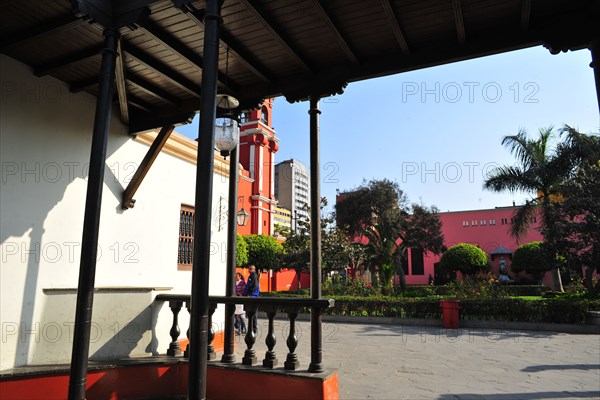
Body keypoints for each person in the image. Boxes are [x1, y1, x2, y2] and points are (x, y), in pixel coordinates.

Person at [243, 265, 260, 333]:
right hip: (252, 296)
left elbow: (254, 286)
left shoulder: (253, 276)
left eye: (248, 269)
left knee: (253, 313)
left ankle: (254, 329)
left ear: (251, 269)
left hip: (253, 296)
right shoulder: (252, 276)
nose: (247, 270)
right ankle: (252, 328)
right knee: (251, 313)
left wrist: (250, 294)